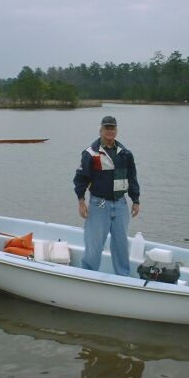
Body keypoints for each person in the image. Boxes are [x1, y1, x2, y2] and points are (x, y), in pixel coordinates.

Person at [73, 115, 140, 276]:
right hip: (99, 205)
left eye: (112, 128)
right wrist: (81, 202)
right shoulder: (90, 153)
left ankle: (123, 277)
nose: (110, 131)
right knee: (94, 244)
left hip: (121, 205)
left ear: (116, 130)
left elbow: (132, 178)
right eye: (107, 128)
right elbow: (80, 179)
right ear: (101, 130)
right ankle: (88, 275)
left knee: (121, 244)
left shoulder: (125, 154)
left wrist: (135, 200)